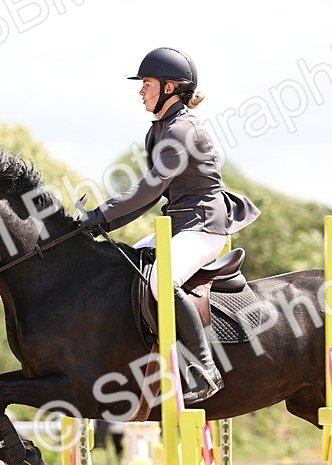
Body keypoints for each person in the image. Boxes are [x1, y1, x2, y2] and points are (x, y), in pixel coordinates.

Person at [78, 47, 260, 403]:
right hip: (178, 226)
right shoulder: (159, 130)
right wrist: (100, 227)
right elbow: (149, 198)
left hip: (204, 227)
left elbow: (150, 187)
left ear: (169, 88)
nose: (141, 91)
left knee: (163, 280)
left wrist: (100, 214)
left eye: (146, 84)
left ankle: (205, 368)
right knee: (124, 268)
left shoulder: (181, 131)